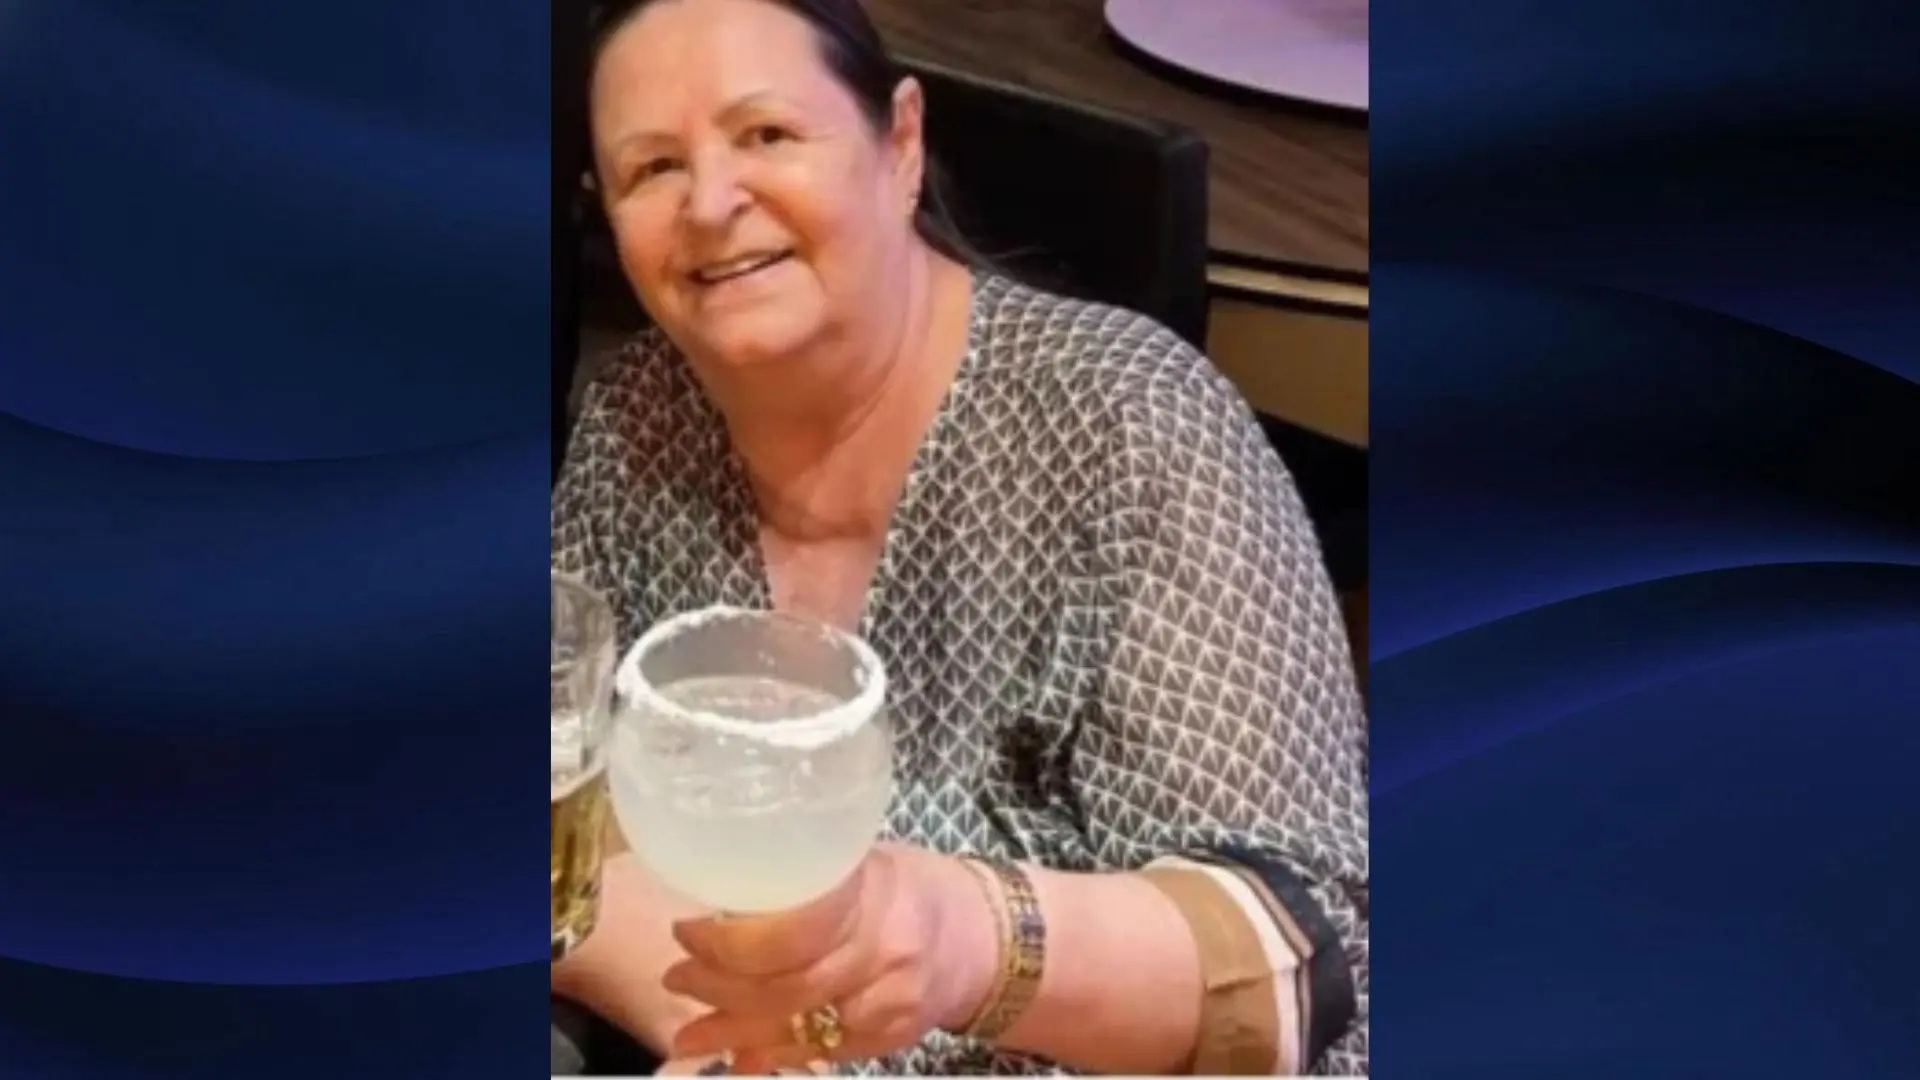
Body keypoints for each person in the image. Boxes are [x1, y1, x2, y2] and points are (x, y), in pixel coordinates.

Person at [550, 0, 1369, 1074]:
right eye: (653, 168)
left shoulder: (1125, 427)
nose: (710, 202)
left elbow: (1305, 964)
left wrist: (961, 939)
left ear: (900, 143)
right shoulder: (641, 420)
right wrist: (759, 1040)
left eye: (767, 134)